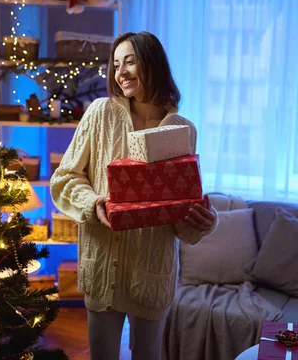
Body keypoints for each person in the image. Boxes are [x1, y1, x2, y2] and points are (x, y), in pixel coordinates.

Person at [50, 31, 218, 360]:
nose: (120, 72)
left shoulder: (182, 129)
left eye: (130, 61)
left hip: (153, 271)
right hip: (103, 265)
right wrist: (93, 202)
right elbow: (64, 178)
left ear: (153, 64)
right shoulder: (101, 113)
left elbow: (178, 214)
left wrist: (201, 222)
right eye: (115, 64)